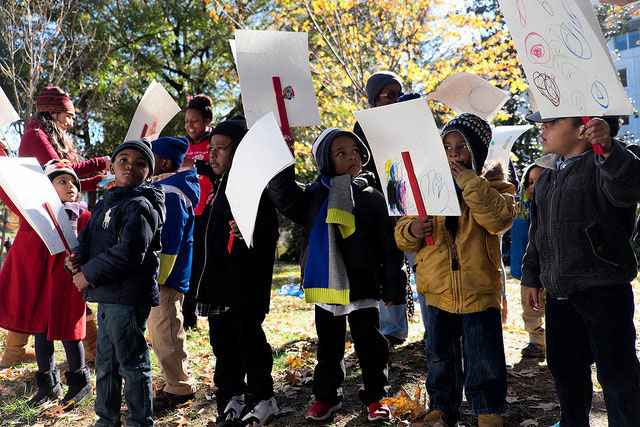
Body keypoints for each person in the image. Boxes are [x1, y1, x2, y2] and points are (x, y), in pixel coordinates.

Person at [269, 128, 406, 422]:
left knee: (370, 346)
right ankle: (327, 397)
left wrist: (393, 288)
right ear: (325, 161)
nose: (351, 157)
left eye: (355, 151)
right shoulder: (313, 195)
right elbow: (283, 194)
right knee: (329, 348)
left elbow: (388, 246)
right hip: (327, 284)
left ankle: (375, 397)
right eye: (341, 153)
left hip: (363, 284)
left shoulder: (372, 197)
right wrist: (283, 157)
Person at [395, 113, 515, 427]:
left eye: (461, 147)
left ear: (477, 152)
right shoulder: (425, 187)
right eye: (446, 146)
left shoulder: (496, 186)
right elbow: (402, 233)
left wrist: (468, 182)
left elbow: (498, 220)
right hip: (436, 287)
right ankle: (442, 406)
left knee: (484, 352)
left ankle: (487, 407)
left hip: (479, 286)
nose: (452, 153)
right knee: (440, 354)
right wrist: (412, 231)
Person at [521, 113, 640, 426]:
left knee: (617, 373)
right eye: (541, 123)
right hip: (560, 296)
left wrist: (609, 149)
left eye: (552, 123)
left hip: (604, 290)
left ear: (583, 130)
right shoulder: (546, 175)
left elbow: (625, 191)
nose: (542, 128)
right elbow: (538, 232)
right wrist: (531, 276)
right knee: (566, 372)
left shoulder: (605, 164)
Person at [1, 86, 106, 368]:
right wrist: (102, 164)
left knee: (41, 290)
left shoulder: (45, 135)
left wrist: (102, 180)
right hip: (42, 224)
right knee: (50, 288)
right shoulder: (36, 135)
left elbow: (67, 180)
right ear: (52, 111)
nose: (71, 122)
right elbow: (60, 173)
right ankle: (93, 352)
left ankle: (16, 352)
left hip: (46, 222)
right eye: (68, 115)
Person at [66, 138, 165, 427]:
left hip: (128, 296)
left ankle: (139, 421)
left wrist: (88, 275)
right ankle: (106, 419)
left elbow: (130, 253)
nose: (130, 167)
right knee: (106, 363)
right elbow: (87, 240)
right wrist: (76, 259)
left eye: (140, 163)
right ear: (111, 165)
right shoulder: (108, 201)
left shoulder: (140, 206)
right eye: (123, 160)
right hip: (108, 295)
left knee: (132, 363)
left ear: (149, 171)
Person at [191, 116, 280, 426]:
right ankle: (232, 397)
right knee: (222, 345)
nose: (212, 154)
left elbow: (270, 228)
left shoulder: (254, 187)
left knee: (248, 342)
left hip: (243, 284)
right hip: (216, 283)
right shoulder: (217, 187)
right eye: (211, 148)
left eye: (221, 148)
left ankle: (263, 399)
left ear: (239, 151)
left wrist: (252, 230)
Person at [0, 160, 92, 408]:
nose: (71, 185)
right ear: (48, 188)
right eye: (62, 181)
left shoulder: (84, 216)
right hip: (44, 286)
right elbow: (8, 192)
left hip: (69, 285)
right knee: (42, 333)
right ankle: (48, 385)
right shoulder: (36, 216)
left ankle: (80, 383)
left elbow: (92, 246)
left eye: (74, 182)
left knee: (71, 335)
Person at [354, 70, 412, 347]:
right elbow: (360, 164)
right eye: (390, 95)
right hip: (380, 204)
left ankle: (435, 325)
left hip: (413, 202)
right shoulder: (363, 126)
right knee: (388, 264)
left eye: (399, 94)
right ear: (375, 99)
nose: (396, 99)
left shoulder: (412, 122)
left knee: (419, 263)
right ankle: (392, 328)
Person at [147, 136, 200, 412]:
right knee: (159, 330)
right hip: (159, 275)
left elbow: (170, 237)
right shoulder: (162, 187)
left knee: (166, 330)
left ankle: (180, 386)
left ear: (165, 161)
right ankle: (173, 379)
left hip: (165, 276)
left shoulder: (171, 192)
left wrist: (158, 276)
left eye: (150, 157)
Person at [181, 94, 214, 330]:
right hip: (186, 212)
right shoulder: (182, 145)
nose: (190, 125)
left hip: (210, 213)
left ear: (207, 120)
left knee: (205, 262)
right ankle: (188, 318)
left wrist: (194, 165)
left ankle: (212, 311)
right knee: (188, 264)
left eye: (194, 120)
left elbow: (217, 169)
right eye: (186, 121)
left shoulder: (216, 141)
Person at [509, 163, 546, 358]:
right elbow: (518, 242)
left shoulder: (553, 208)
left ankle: (555, 340)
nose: (533, 187)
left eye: (539, 181)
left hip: (550, 269)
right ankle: (537, 341)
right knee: (530, 308)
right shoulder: (521, 210)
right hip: (527, 270)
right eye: (529, 182)